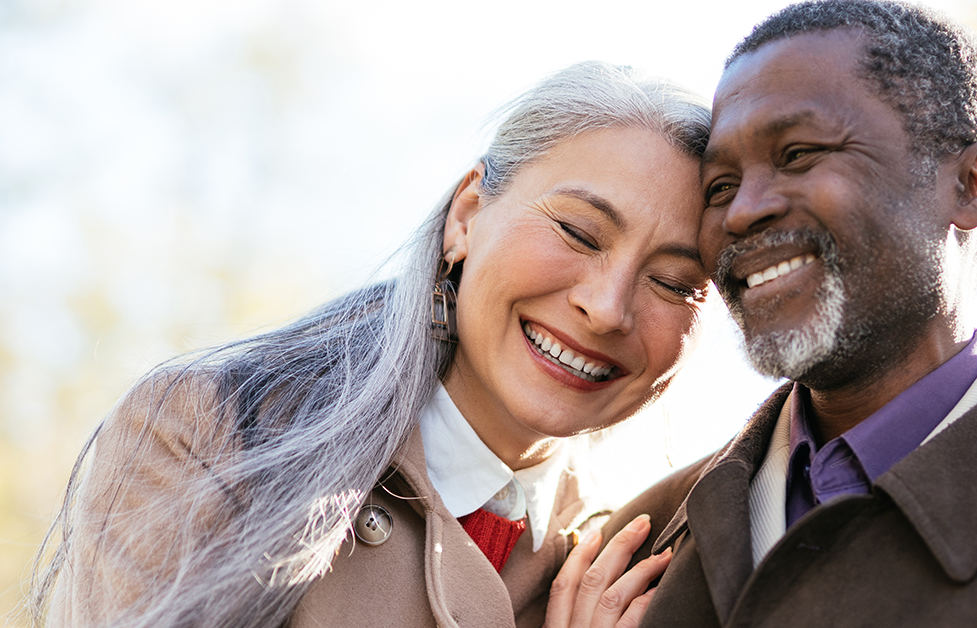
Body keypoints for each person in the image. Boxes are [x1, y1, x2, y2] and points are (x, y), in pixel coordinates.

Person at [549, 2, 977, 627]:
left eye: (798, 153)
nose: (743, 211)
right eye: (719, 188)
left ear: (972, 185)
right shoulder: (633, 551)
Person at [28, 61, 710, 628]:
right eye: (578, 233)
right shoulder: (214, 436)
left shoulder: (639, 564)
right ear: (466, 216)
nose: (606, 307)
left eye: (676, 283)